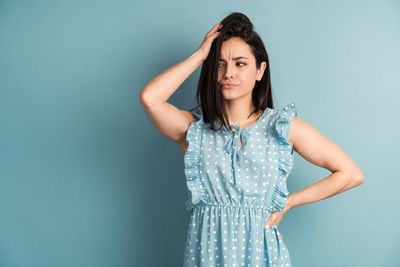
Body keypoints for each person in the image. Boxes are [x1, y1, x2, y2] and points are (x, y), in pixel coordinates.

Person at [139, 12, 364, 267]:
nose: (229, 73)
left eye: (240, 63)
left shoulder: (280, 127)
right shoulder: (194, 129)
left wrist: (289, 202)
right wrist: (200, 55)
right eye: (220, 64)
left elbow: (350, 174)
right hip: (206, 257)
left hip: (262, 257)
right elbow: (150, 98)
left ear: (260, 70)